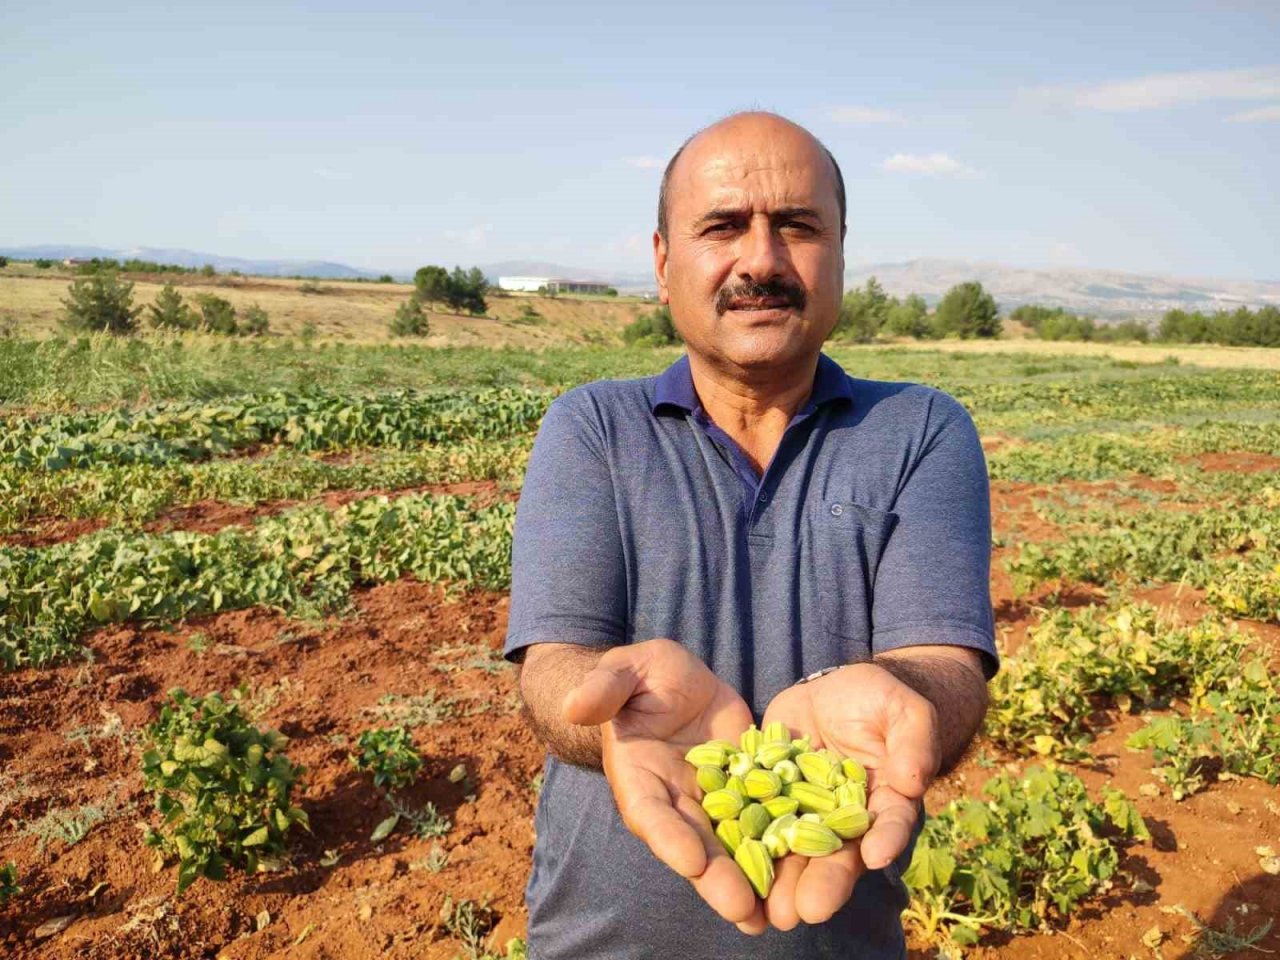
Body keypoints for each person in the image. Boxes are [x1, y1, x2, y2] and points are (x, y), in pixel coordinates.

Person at [504, 111, 996, 959]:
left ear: (840, 254)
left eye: (798, 227)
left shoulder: (921, 429)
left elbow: (945, 662)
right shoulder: (593, 428)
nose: (762, 260)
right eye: (723, 226)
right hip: (602, 941)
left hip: (838, 936)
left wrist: (902, 698)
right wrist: (613, 705)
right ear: (664, 263)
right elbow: (555, 666)